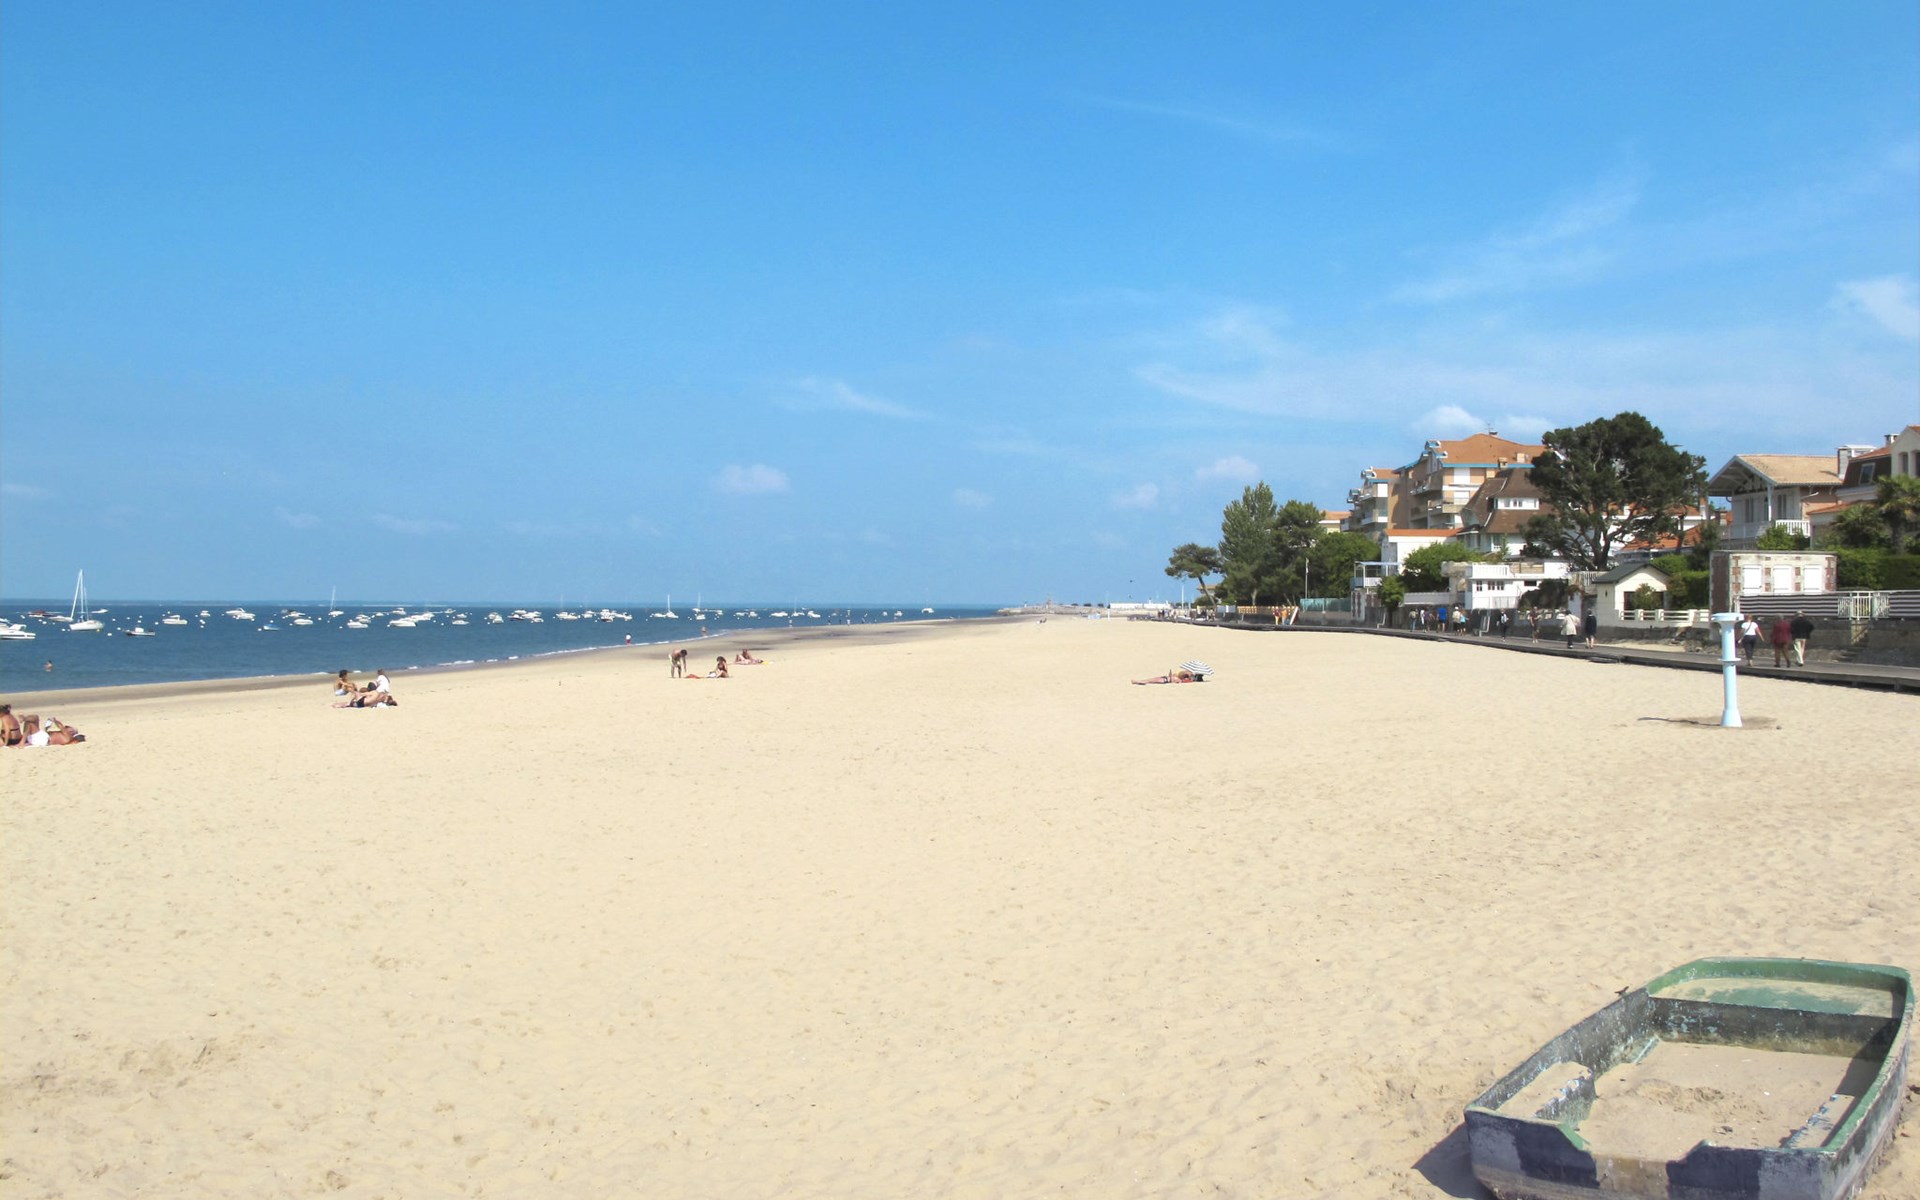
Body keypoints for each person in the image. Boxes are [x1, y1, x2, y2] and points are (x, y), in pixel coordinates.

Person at [1132, 669, 1203, 684]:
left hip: (1166, 679)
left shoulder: (1188, 679)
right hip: (1167, 679)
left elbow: (1177, 680)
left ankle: (1139, 681)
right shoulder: (1188, 678)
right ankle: (1139, 681)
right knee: (1151, 680)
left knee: (1151, 680)